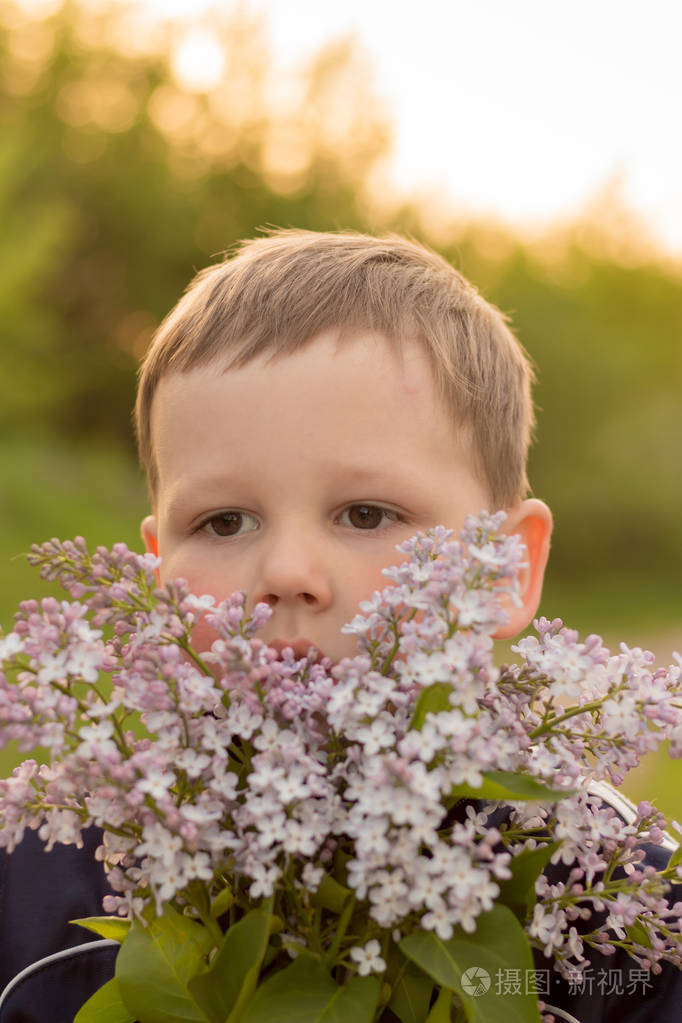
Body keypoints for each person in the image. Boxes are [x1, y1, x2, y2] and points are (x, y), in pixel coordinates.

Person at [0, 230, 678, 1021]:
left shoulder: (618, 905)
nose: (287, 572)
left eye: (365, 513)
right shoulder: (37, 886)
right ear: (157, 577)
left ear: (505, 568)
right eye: (224, 522)